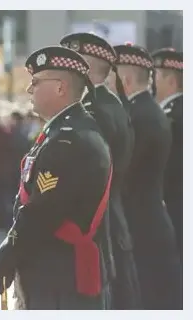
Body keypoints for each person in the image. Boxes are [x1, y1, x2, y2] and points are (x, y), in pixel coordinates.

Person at [0, 46, 112, 309]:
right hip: (52, 272)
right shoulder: (65, 131)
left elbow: (43, 211)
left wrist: (9, 252)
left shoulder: (68, 139)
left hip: (58, 277)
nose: (28, 89)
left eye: (36, 82)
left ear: (60, 88)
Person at [60, 33, 140, 309]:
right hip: (107, 225)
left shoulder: (96, 111)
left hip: (95, 228)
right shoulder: (108, 105)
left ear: (82, 66)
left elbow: (86, 179)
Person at [109, 43, 182, 309]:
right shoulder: (145, 111)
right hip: (147, 223)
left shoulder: (140, 116)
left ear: (125, 80)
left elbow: (122, 175)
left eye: (110, 76)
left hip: (141, 227)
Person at [152, 48, 183, 262]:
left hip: (173, 203)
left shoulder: (171, 116)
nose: (151, 84)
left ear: (171, 82)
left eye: (156, 77)